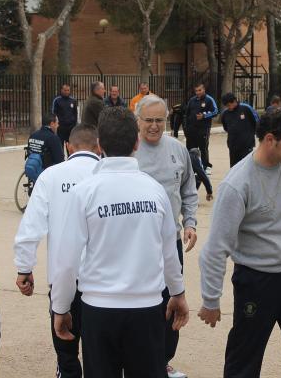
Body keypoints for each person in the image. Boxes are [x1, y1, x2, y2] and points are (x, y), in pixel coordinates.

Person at [51, 109, 189, 378]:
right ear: (136, 142)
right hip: (147, 308)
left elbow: (67, 262)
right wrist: (178, 293)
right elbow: (169, 252)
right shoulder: (154, 190)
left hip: (99, 310)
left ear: (100, 144)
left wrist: (61, 307)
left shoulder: (84, 192)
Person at [198, 106, 281, 378]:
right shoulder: (238, 184)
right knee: (245, 357)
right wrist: (211, 299)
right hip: (256, 281)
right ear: (270, 139)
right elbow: (216, 248)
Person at [14, 124, 101, 378]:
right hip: (103, 284)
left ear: (67, 146)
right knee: (102, 355)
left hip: (64, 281)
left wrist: (24, 268)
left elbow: (31, 228)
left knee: (66, 351)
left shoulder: (50, 177)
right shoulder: (107, 175)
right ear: (99, 147)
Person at [134, 96, 198, 378]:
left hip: (170, 244)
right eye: (148, 120)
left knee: (172, 301)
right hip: (135, 248)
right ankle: (135, 361)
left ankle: (163, 360)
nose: (154, 126)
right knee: (138, 306)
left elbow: (188, 189)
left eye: (160, 120)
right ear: (137, 120)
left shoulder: (177, 149)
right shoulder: (127, 152)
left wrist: (190, 222)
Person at [184, 83, 219, 174]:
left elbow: (215, 111)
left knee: (203, 148)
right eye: (196, 91)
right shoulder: (192, 100)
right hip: (192, 129)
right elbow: (187, 114)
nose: (198, 92)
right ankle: (193, 167)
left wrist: (204, 116)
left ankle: (206, 166)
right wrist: (186, 128)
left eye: (200, 90)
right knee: (191, 149)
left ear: (204, 90)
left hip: (203, 129)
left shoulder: (209, 99)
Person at [220, 92, 260, 167]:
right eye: (226, 106)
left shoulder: (246, 108)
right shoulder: (225, 114)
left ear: (234, 101)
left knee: (247, 167)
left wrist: (253, 134)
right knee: (234, 168)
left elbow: (257, 121)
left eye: (229, 105)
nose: (228, 107)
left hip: (246, 145)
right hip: (233, 146)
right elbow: (226, 128)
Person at [52, 83, 78, 152]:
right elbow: (53, 114)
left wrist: (75, 125)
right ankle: (61, 160)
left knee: (70, 147)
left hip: (71, 128)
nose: (66, 92)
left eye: (68, 90)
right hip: (60, 128)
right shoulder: (57, 100)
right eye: (65, 90)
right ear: (61, 90)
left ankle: (70, 160)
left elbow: (76, 113)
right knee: (60, 147)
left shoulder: (73, 100)